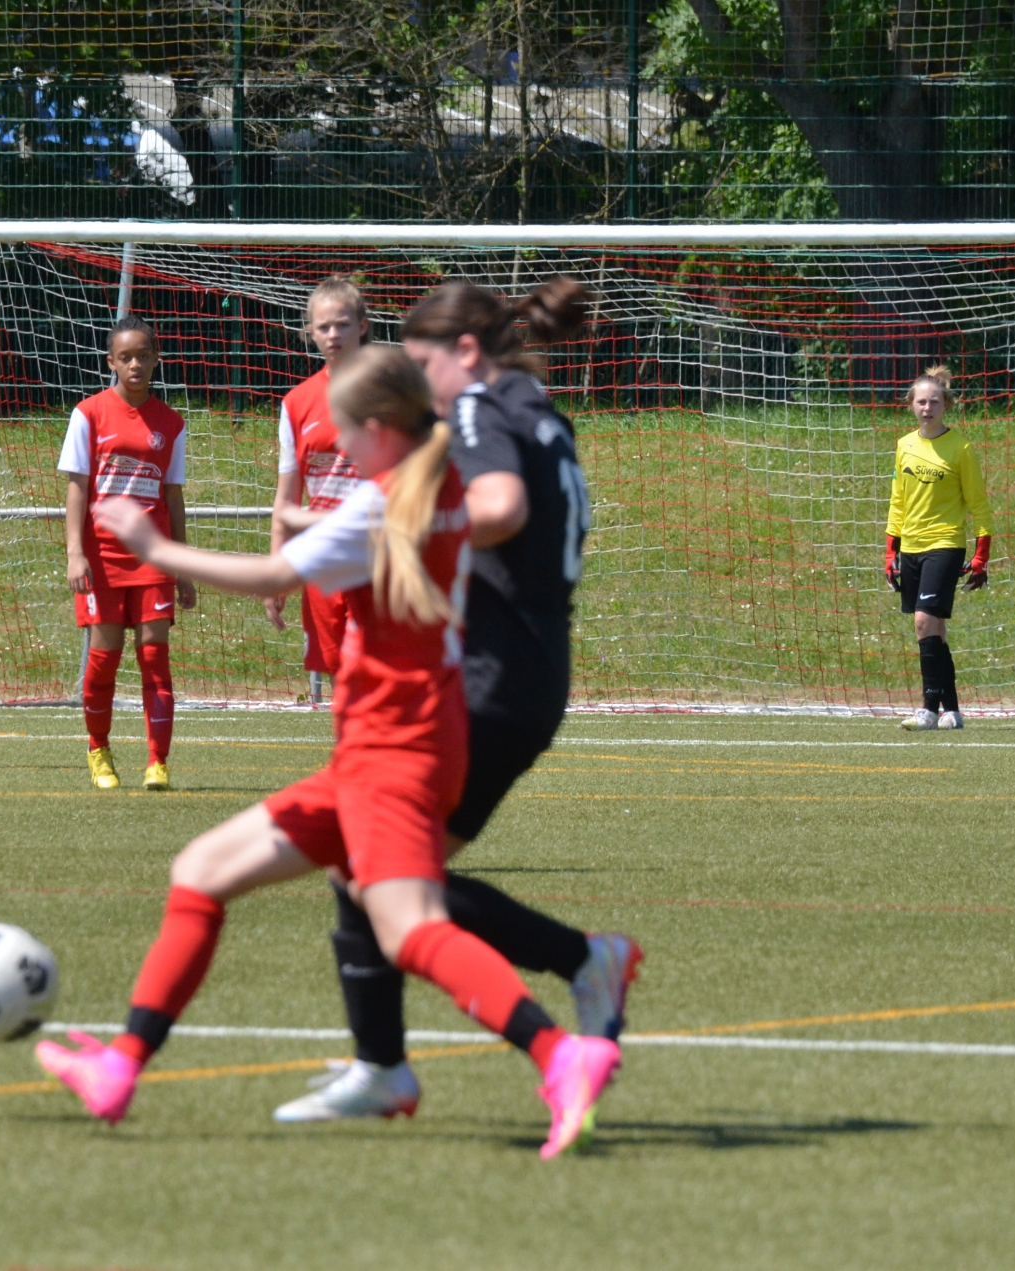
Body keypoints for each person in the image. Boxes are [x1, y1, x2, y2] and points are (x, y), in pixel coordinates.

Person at [36, 344, 622, 1161]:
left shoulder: (386, 503)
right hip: (395, 746)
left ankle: (561, 1052)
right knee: (202, 870)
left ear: (380, 427)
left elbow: (274, 574)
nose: (339, 446)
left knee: (408, 928)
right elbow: (356, 535)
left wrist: (151, 544)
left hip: (395, 753)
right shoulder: (438, 485)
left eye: (347, 432)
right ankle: (121, 1066)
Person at [271, 277, 642, 1124]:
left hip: (490, 677)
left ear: (465, 354)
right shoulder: (540, 410)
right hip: (530, 674)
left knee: (378, 875)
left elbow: (500, 506)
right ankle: (385, 1064)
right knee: (374, 873)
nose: (421, 384)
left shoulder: (477, 409)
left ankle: (567, 969)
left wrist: (399, 527)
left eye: (425, 364)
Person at [59, 316, 197, 791]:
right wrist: (75, 552)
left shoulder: (172, 423)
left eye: (142, 355)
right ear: (111, 362)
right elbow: (78, 489)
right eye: (125, 357)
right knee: (104, 659)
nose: (134, 364)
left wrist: (182, 566)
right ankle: (98, 750)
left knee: (154, 658)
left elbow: (173, 498)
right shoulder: (88, 414)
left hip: (153, 559)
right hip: (101, 559)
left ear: (156, 359)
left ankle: (158, 762)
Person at [266, 277, 368, 704]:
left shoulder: (392, 389)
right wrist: (277, 569)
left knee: (381, 671)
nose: (333, 335)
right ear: (310, 332)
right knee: (341, 675)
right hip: (324, 556)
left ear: (362, 326)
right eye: (323, 327)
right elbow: (288, 495)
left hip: (381, 555)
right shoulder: (297, 402)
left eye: (342, 324)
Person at [884, 365, 994, 731]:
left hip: (945, 544)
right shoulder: (904, 446)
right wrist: (890, 551)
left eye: (934, 402)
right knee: (935, 629)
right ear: (911, 405)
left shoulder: (961, 448)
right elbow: (898, 501)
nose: (927, 408)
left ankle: (928, 709)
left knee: (923, 621)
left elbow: (979, 505)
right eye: (921, 402)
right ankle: (953, 711)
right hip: (911, 547)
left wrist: (981, 555)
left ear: (945, 405)